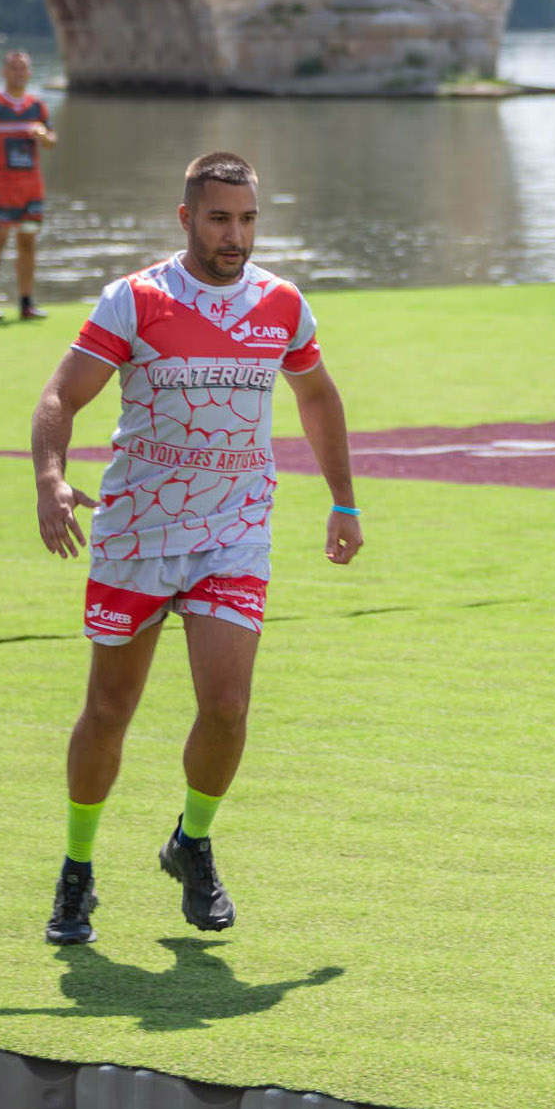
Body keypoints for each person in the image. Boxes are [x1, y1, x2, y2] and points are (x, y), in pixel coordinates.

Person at [32, 152, 363, 946]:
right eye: (220, 219)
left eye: (247, 219)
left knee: (226, 707)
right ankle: (77, 870)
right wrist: (49, 478)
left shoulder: (282, 303)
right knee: (110, 711)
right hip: (138, 532)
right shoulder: (135, 300)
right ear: (186, 219)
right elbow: (60, 396)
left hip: (234, 532)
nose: (235, 236)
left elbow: (316, 395)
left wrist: (343, 500)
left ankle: (193, 842)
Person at [0, 49, 56, 322]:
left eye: (23, 68)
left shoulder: (37, 107)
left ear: (29, 73)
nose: (19, 73)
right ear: (4, 72)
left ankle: (26, 304)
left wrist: (43, 135)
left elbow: (51, 141)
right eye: (13, 68)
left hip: (30, 189)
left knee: (28, 243)